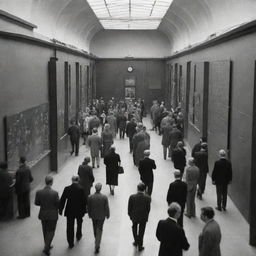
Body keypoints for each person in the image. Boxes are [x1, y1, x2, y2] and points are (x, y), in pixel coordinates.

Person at [59, 176, 87, 248]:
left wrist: (61, 209)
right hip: (79, 210)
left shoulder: (67, 188)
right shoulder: (81, 189)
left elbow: (63, 199)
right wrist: (84, 210)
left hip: (70, 210)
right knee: (79, 222)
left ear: (72, 180)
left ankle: (70, 242)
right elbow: (84, 201)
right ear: (78, 180)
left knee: (70, 226)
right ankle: (78, 235)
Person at [35, 175, 59, 256]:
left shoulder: (39, 192)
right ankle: (46, 248)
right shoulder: (55, 193)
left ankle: (47, 245)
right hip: (52, 215)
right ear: (51, 182)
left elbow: (36, 203)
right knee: (51, 231)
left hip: (43, 214)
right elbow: (58, 204)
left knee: (45, 230)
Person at [128, 183, 151, 252]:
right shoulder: (147, 198)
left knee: (134, 227)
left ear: (137, 188)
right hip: (143, 217)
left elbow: (129, 207)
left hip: (134, 216)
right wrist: (146, 215)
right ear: (144, 189)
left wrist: (130, 215)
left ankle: (136, 241)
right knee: (141, 231)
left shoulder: (132, 197)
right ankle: (140, 245)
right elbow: (148, 209)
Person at [88, 183, 110, 254]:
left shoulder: (90, 197)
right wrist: (107, 214)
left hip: (93, 216)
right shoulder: (104, 197)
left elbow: (88, 207)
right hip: (101, 216)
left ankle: (96, 238)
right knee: (99, 229)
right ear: (100, 188)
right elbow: (106, 207)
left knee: (94, 228)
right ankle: (97, 244)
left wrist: (89, 214)